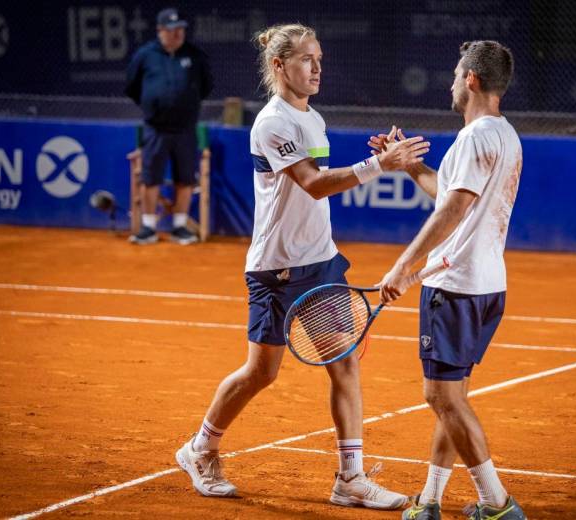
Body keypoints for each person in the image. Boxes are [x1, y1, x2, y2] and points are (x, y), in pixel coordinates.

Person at [174, 23, 430, 510]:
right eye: (306, 59)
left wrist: (378, 159)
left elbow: (320, 184)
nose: (316, 69)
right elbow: (312, 184)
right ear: (279, 65)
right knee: (260, 373)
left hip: (320, 263)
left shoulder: (313, 117)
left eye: (320, 60)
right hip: (276, 270)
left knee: (345, 364)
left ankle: (350, 478)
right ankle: (200, 448)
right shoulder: (272, 123)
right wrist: (380, 166)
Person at [372, 41, 527, 520]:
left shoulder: (473, 138)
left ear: (472, 81)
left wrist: (404, 267)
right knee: (452, 396)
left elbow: (453, 211)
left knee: (440, 395)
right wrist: (411, 166)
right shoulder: (504, 135)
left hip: (455, 286)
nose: (452, 83)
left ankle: (497, 504)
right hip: (486, 286)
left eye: (458, 75)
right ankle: (430, 500)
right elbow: (450, 195)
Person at [124, 8, 213, 245]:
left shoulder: (194, 55)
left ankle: (179, 227)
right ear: (160, 30)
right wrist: (152, 104)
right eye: (172, 30)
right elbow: (132, 86)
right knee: (150, 177)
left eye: (181, 29)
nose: (178, 34)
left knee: (185, 178)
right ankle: (148, 228)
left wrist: (185, 104)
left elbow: (206, 86)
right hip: (156, 129)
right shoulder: (145, 55)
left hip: (185, 129)